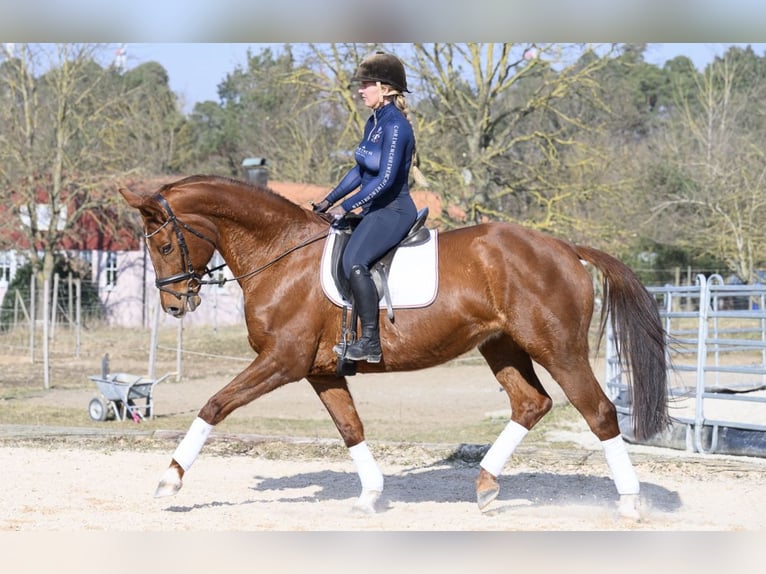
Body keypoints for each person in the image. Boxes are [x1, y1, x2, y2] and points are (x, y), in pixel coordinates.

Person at [313, 51, 418, 363]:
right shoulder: (373, 123)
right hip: (375, 209)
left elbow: (385, 180)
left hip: (395, 210)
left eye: (367, 84)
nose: (360, 90)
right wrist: (328, 201)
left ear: (385, 88)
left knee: (355, 261)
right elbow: (360, 172)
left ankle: (370, 341)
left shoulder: (396, 127)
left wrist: (347, 207)